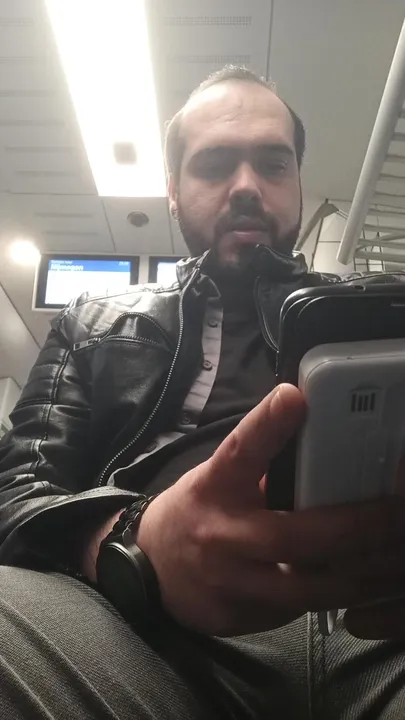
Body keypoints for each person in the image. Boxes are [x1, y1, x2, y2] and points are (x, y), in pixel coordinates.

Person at [0, 65, 405, 720]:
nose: (246, 186)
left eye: (273, 164)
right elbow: (14, 494)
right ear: (173, 191)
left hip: (369, 619)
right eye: (215, 165)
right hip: (135, 619)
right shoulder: (92, 322)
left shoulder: (381, 319)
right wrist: (128, 544)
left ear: (298, 182)